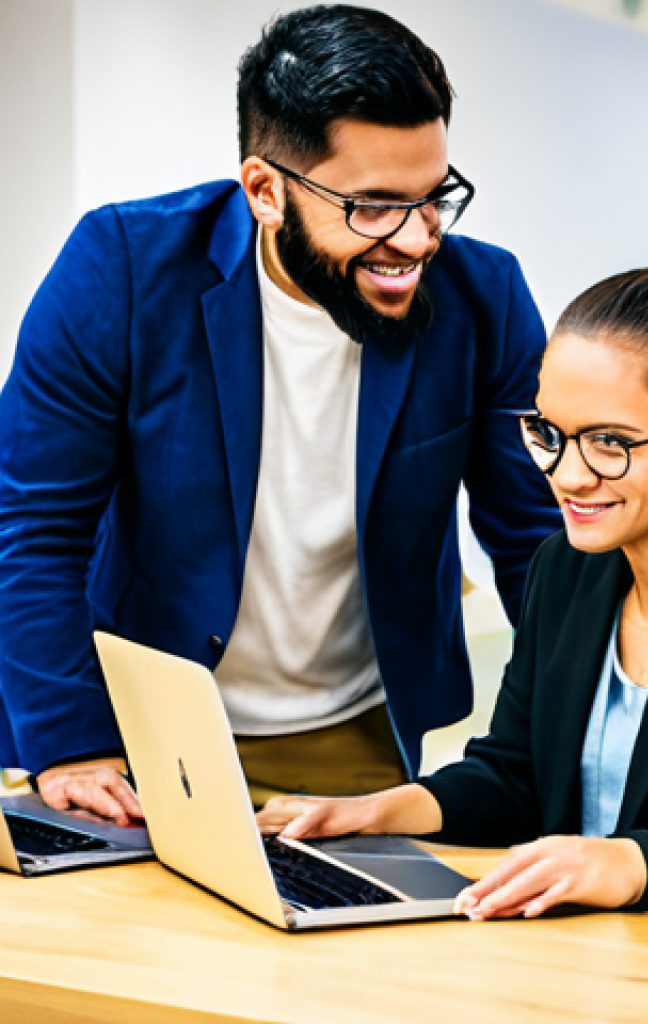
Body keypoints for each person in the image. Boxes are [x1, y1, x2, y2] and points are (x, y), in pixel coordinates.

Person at [0, 5, 560, 822]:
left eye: (433, 197)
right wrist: (70, 741)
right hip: (136, 731)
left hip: (355, 736)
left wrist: (583, 736)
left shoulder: (486, 297)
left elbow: (536, 539)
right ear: (266, 190)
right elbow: (34, 525)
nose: (417, 240)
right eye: (373, 206)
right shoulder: (123, 268)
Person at [258, 265, 648, 917]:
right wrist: (378, 811)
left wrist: (630, 863)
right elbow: (514, 775)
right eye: (550, 434)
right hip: (574, 941)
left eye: (610, 443)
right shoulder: (564, 568)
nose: (567, 475)